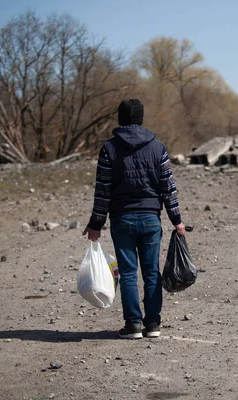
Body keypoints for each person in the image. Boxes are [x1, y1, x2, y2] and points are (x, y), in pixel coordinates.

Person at [83, 99, 185, 339]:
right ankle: (153, 325)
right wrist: (176, 220)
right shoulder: (157, 147)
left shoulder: (109, 149)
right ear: (140, 118)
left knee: (128, 273)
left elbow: (102, 190)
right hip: (150, 219)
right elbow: (168, 188)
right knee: (151, 273)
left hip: (122, 221)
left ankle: (133, 326)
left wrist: (95, 224)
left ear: (120, 119)